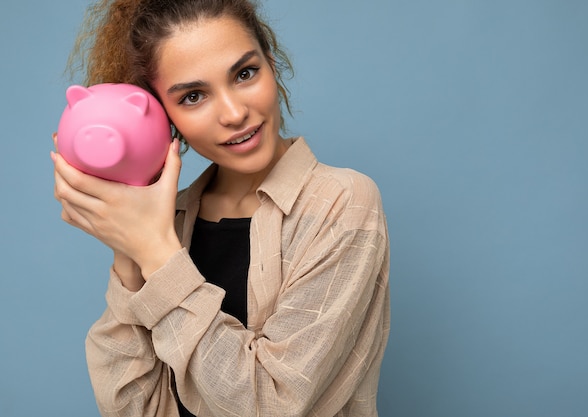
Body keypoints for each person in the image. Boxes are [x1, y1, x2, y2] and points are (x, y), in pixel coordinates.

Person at [51, 0, 390, 415]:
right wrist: (128, 247)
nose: (234, 114)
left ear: (271, 62)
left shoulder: (340, 203)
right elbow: (132, 407)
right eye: (193, 96)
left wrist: (156, 254)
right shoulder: (168, 223)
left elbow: (269, 403)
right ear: (162, 115)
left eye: (245, 73)